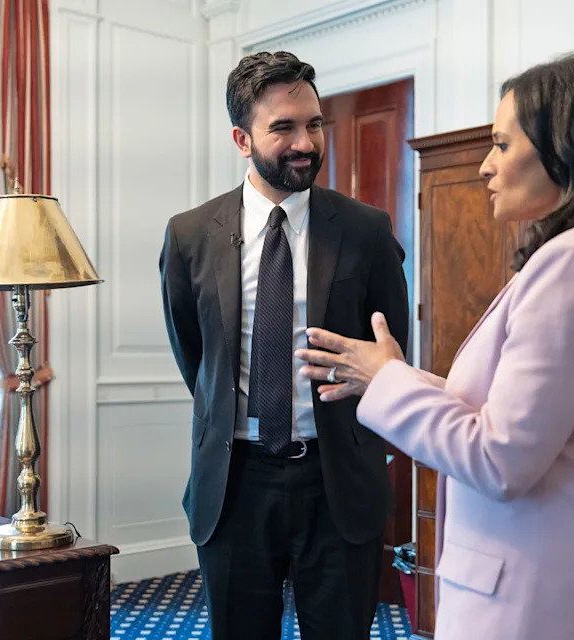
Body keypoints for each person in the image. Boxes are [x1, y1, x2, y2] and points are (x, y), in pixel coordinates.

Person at [296, 51, 574, 640]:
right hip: (559, 584)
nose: (485, 166)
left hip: (531, 600)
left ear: (568, 149)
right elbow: (517, 417)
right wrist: (388, 376)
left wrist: (390, 382)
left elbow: (499, 457)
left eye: (502, 145)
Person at [159, 51, 409, 640]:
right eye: (284, 128)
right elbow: (194, 354)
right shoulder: (190, 234)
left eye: (315, 124)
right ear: (242, 139)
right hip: (234, 483)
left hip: (338, 480)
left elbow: (390, 348)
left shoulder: (367, 230)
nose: (306, 142)